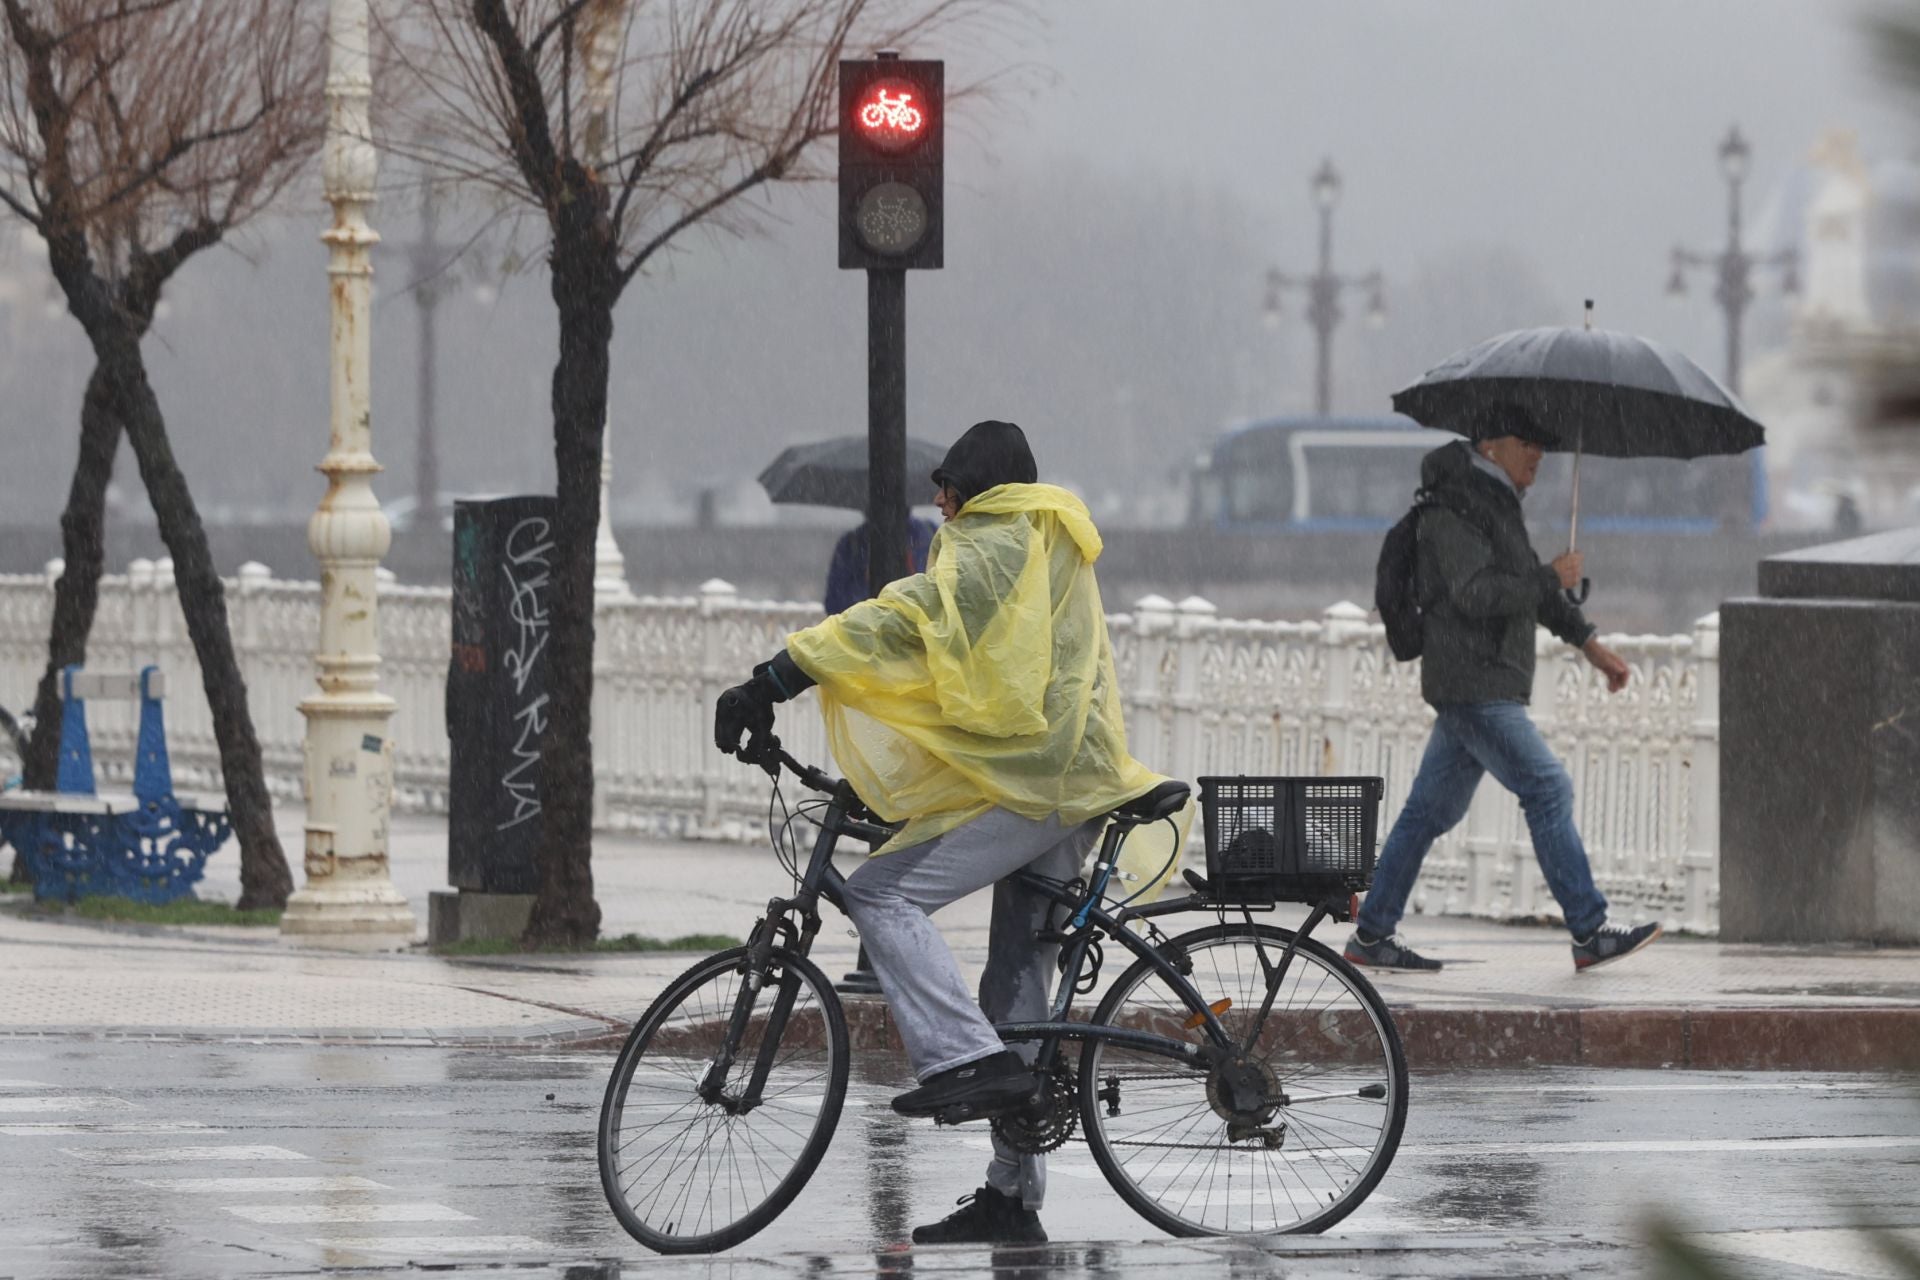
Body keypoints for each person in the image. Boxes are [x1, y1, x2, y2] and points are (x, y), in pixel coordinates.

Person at [713, 420, 1168, 1245]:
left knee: (881, 892)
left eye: (950, 488)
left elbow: (908, 619)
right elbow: (981, 672)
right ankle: (1011, 1194)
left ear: (979, 490)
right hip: (1065, 771)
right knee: (1018, 980)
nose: (938, 501)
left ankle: (964, 1059)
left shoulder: (990, 546)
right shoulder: (1040, 537)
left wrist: (781, 674)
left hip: (1037, 784)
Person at [1347, 405, 1662, 975]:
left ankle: (1371, 935)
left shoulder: (1494, 504)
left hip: (1482, 680)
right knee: (1547, 787)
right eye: (1527, 443)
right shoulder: (1453, 507)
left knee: (1426, 814)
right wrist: (1550, 576)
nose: (1538, 455)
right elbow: (1476, 595)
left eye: (1541, 445)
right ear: (1491, 447)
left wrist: (1590, 645)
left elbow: (1530, 594)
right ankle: (1590, 930)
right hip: (1474, 682)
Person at [823, 511, 938, 613]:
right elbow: (834, 604)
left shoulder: (930, 534)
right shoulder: (852, 544)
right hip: (878, 629)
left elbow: (835, 605)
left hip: (881, 629)